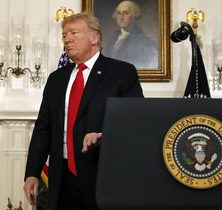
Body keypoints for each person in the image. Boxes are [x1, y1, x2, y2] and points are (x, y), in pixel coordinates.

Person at [23, 12, 144, 210]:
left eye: (74, 33)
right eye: (64, 35)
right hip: (61, 179)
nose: (67, 39)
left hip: (101, 176)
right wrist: (32, 173)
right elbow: (43, 129)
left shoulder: (121, 73)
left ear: (94, 38)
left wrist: (104, 136)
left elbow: (135, 120)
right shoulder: (57, 78)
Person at [102, 0, 158, 69]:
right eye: (118, 13)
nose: (121, 17)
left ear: (134, 16)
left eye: (126, 13)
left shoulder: (144, 42)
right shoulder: (112, 41)